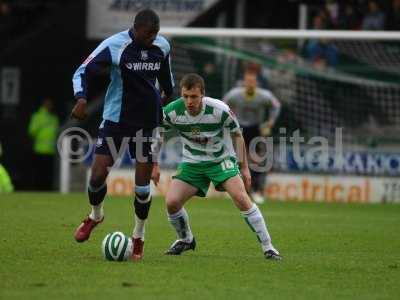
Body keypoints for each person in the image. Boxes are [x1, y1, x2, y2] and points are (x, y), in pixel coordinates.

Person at [71, 9, 174, 261]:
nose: (153, 38)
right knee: (96, 176)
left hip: (146, 125)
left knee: (141, 187)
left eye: (156, 33)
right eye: (149, 33)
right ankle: (96, 215)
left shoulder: (162, 46)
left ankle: (138, 236)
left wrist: (158, 105)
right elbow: (81, 71)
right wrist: (81, 98)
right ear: (136, 28)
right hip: (116, 120)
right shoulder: (115, 45)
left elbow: (167, 83)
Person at [152, 73, 281, 260]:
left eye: (194, 96)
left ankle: (268, 247)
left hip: (221, 160)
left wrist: (244, 168)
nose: (189, 101)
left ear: (202, 94)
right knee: (172, 202)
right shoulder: (171, 111)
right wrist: (154, 163)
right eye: (185, 96)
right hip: (192, 162)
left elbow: (237, 135)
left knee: (241, 198)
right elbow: (159, 133)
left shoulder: (219, 110)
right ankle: (186, 239)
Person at [223, 71, 281, 204]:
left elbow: (276, 106)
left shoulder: (263, 96)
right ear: (244, 82)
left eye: (252, 81)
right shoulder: (235, 94)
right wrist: (228, 120)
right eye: (247, 81)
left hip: (256, 128)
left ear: (256, 83)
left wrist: (271, 121)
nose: (249, 84)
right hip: (239, 129)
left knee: (256, 160)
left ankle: (256, 190)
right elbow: (223, 104)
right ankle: (240, 191)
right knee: (239, 159)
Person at [28, 97, 59, 190]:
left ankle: (47, 189)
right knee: (39, 173)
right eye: (47, 104)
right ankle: (37, 189)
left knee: (48, 174)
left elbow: (57, 133)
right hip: (39, 150)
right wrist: (41, 125)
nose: (50, 106)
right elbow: (31, 131)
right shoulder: (37, 116)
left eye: (50, 104)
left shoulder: (54, 118)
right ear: (43, 105)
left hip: (51, 151)